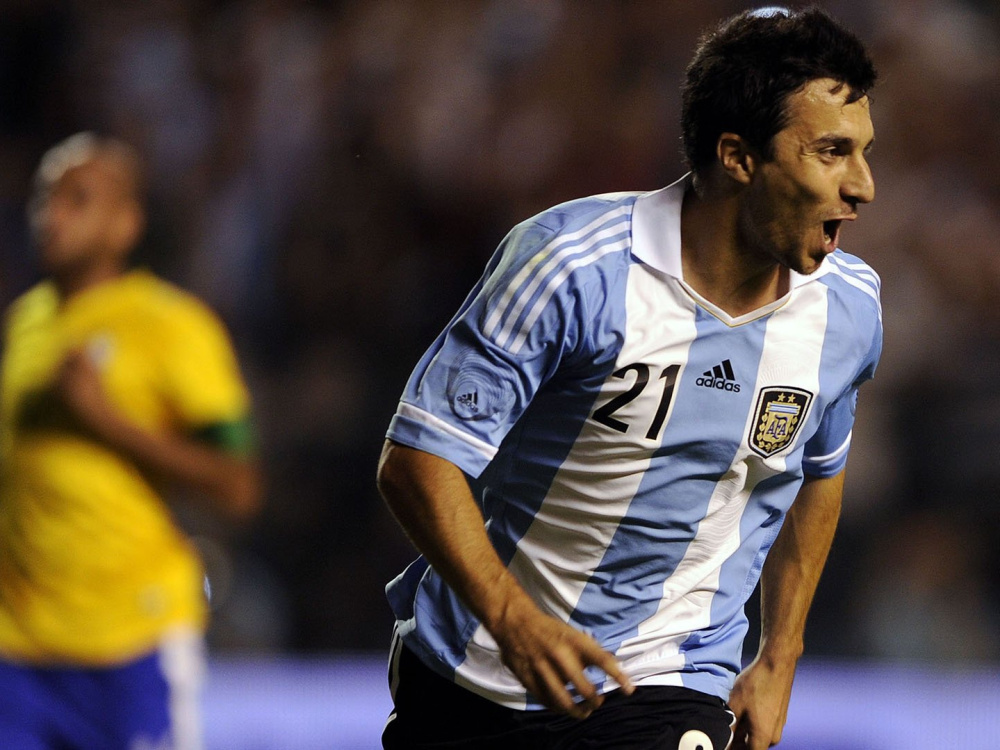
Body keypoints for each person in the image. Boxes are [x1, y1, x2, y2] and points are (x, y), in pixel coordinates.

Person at [377, 6, 880, 750]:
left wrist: (780, 655)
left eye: (864, 152)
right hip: (473, 670)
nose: (863, 185)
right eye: (832, 152)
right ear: (738, 156)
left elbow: (819, 471)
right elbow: (419, 459)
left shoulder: (847, 310)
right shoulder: (572, 267)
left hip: (670, 678)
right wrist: (512, 618)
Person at [0, 132, 263, 749]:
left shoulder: (172, 324)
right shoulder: (25, 320)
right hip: (18, 648)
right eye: (43, 197)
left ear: (126, 223)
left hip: (129, 642)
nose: (51, 215)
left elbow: (239, 484)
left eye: (78, 199)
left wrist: (108, 423)